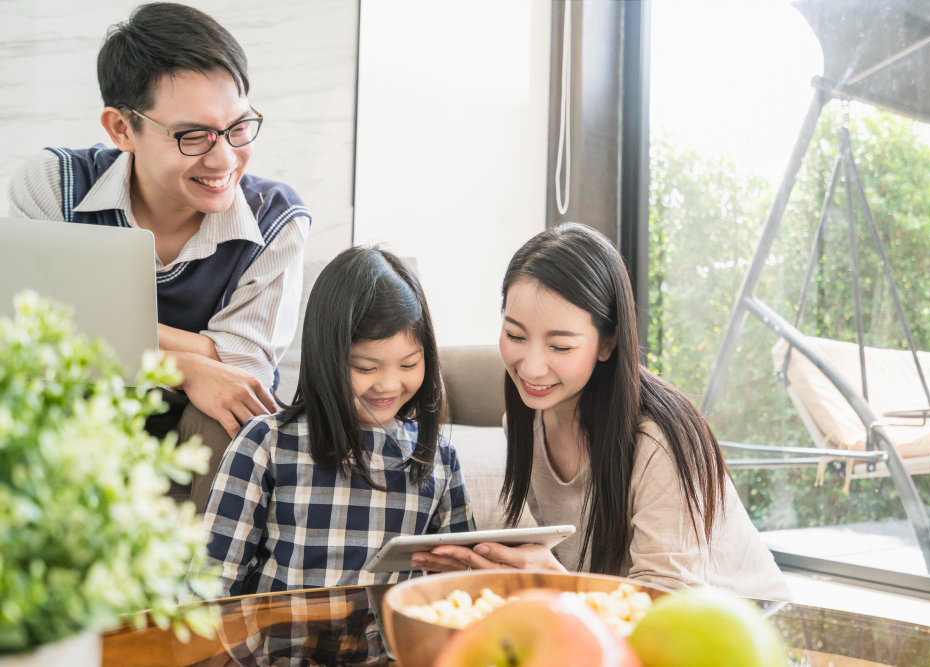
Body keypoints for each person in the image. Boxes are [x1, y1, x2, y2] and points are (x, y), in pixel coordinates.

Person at [6, 3, 310, 511]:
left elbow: (239, 366)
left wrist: (89, 325)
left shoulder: (277, 219)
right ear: (122, 129)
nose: (224, 159)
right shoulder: (53, 186)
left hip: (199, 431)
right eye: (193, 136)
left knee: (231, 406)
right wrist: (185, 363)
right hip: (77, 414)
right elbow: (27, 336)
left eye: (238, 128)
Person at [414, 223, 790, 601]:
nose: (530, 368)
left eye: (560, 347)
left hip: (742, 632)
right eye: (515, 336)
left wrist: (561, 585)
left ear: (607, 343)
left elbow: (669, 602)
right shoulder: (524, 423)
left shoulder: (659, 441)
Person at [203, 246, 475, 596]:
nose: (389, 384)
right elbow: (211, 583)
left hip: (391, 649)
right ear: (325, 357)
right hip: (280, 648)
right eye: (365, 367)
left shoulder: (438, 458)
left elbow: (463, 588)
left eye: (408, 365)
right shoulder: (266, 444)